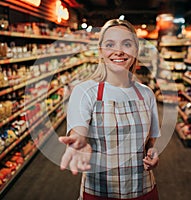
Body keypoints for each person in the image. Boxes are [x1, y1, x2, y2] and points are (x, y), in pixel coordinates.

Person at [59, 19, 160, 200]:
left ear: (136, 50)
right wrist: (78, 143)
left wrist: (152, 153)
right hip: (99, 193)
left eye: (127, 44)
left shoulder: (146, 94)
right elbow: (78, 132)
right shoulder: (85, 92)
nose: (118, 51)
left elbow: (150, 142)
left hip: (143, 190)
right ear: (101, 51)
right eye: (110, 44)